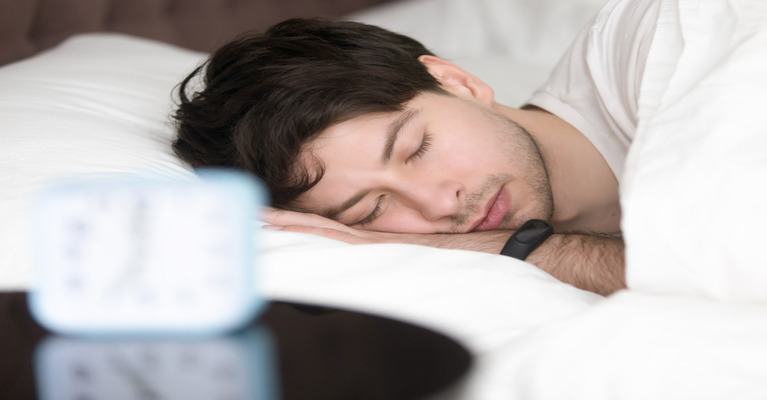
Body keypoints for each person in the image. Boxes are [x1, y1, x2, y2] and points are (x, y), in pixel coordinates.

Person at [171, 1, 659, 295]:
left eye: (417, 148)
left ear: (457, 81)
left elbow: (704, 270)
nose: (437, 203)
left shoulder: (660, 44)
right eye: (371, 209)